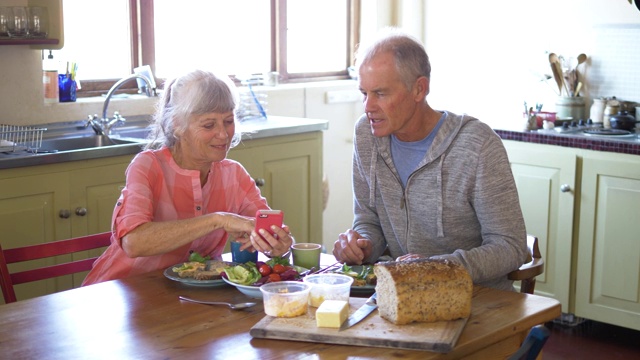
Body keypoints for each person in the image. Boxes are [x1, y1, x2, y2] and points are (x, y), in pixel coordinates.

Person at [332, 29, 528, 291]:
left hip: (479, 301)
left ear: (419, 89)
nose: (368, 106)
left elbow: (510, 246)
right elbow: (369, 220)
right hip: (404, 297)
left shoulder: (477, 145)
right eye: (363, 93)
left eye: (380, 93)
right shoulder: (366, 134)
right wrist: (362, 246)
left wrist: (436, 269)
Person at [83, 69, 293, 285]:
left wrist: (277, 245)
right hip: (123, 289)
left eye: (228, 121)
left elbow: (267, 228)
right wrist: (218, 219)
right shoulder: (147, 165)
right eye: (209, 125)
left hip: (189, 298)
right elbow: (134, 242)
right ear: (177, 124)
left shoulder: (234, 174)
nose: (223, 134)